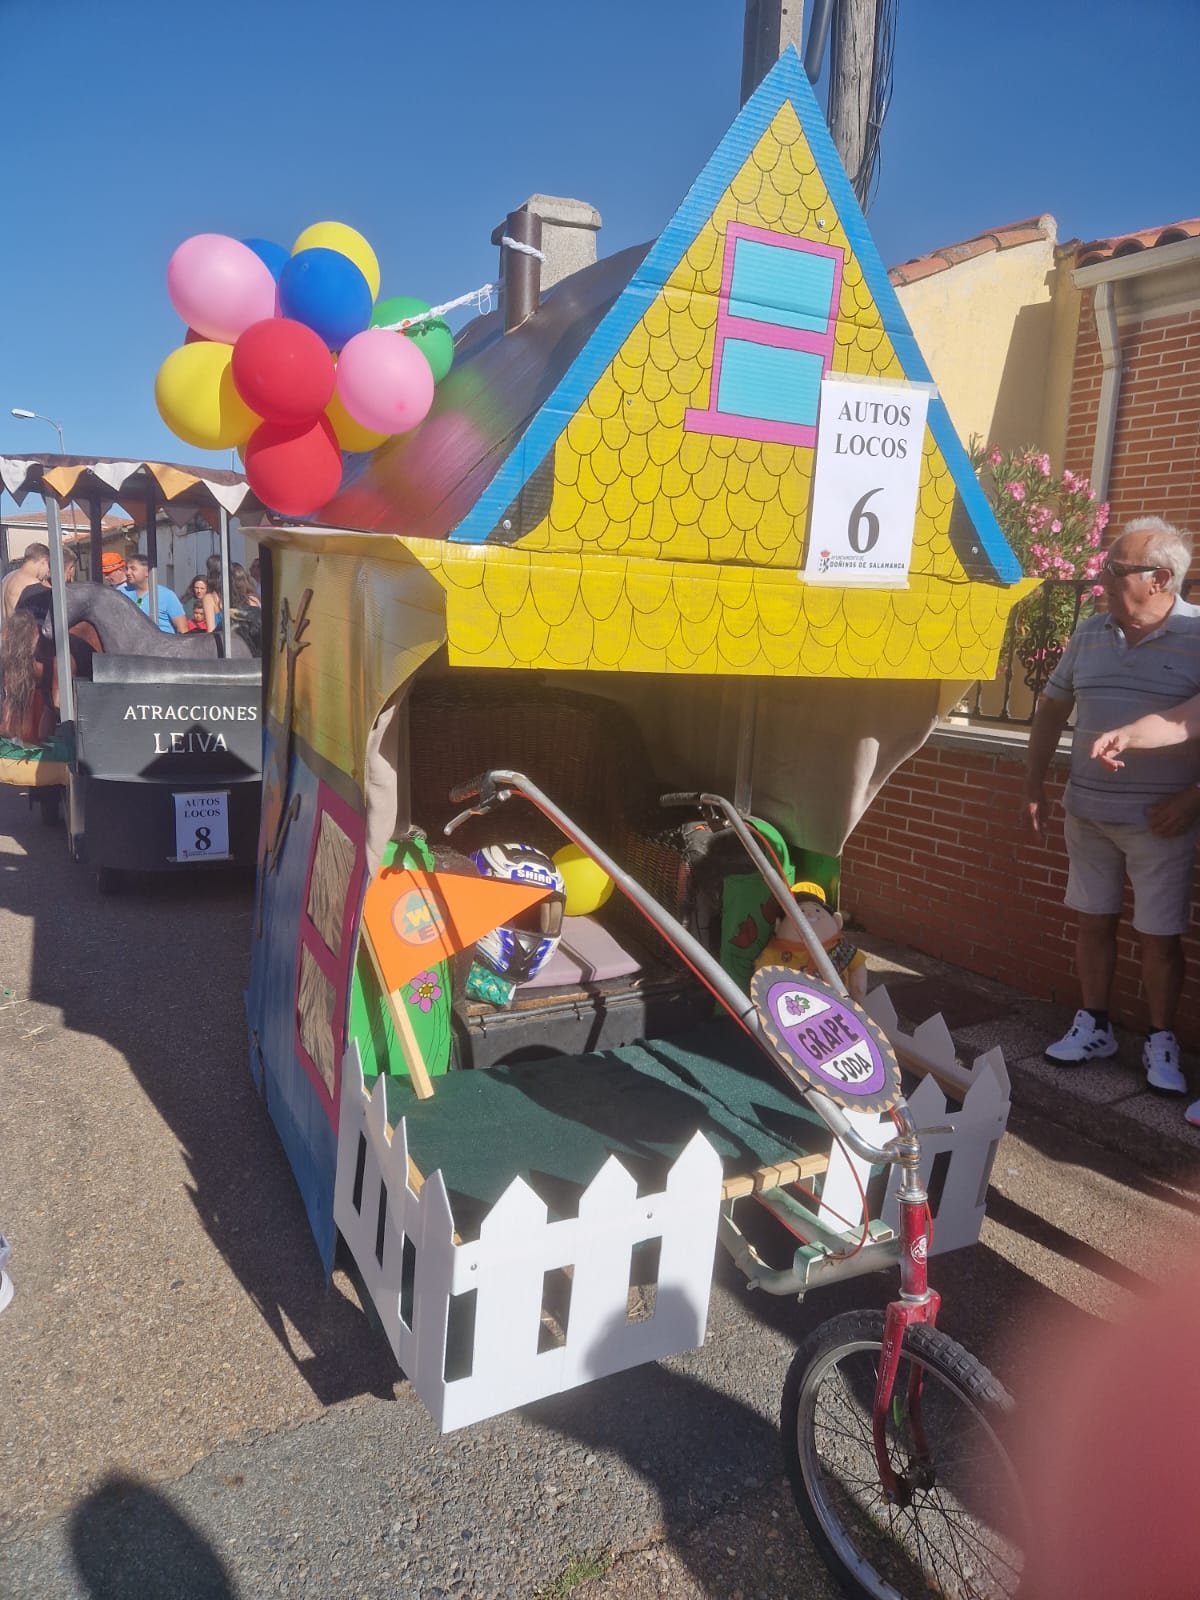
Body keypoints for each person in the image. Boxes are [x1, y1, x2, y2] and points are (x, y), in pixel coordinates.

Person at [1025, 516, 1200, 1094]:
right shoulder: (1090, 632)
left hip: (1161, 820)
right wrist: (1034, 784)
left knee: (1159, 935)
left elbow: (1187, 722)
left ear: (1159, 578)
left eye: (1114, 569)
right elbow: (1051, 709)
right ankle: (1095, 1025)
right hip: (1088, 812)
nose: (1100, 576)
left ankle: (1160, 1038)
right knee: (1093, 920)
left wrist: (1193, 798)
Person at [117, 552, 188, 635]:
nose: (128, 572)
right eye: (127, 568)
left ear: (147, 572)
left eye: (133, 569)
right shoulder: (121, 594)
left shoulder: (167, 595)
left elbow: (183, 629)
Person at [1, 544, 49, 623]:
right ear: (43, 562)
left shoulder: (7, 577)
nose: (47, 573)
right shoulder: (31, 583)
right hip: (21, 633)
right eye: (49, 566)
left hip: (6, 632)